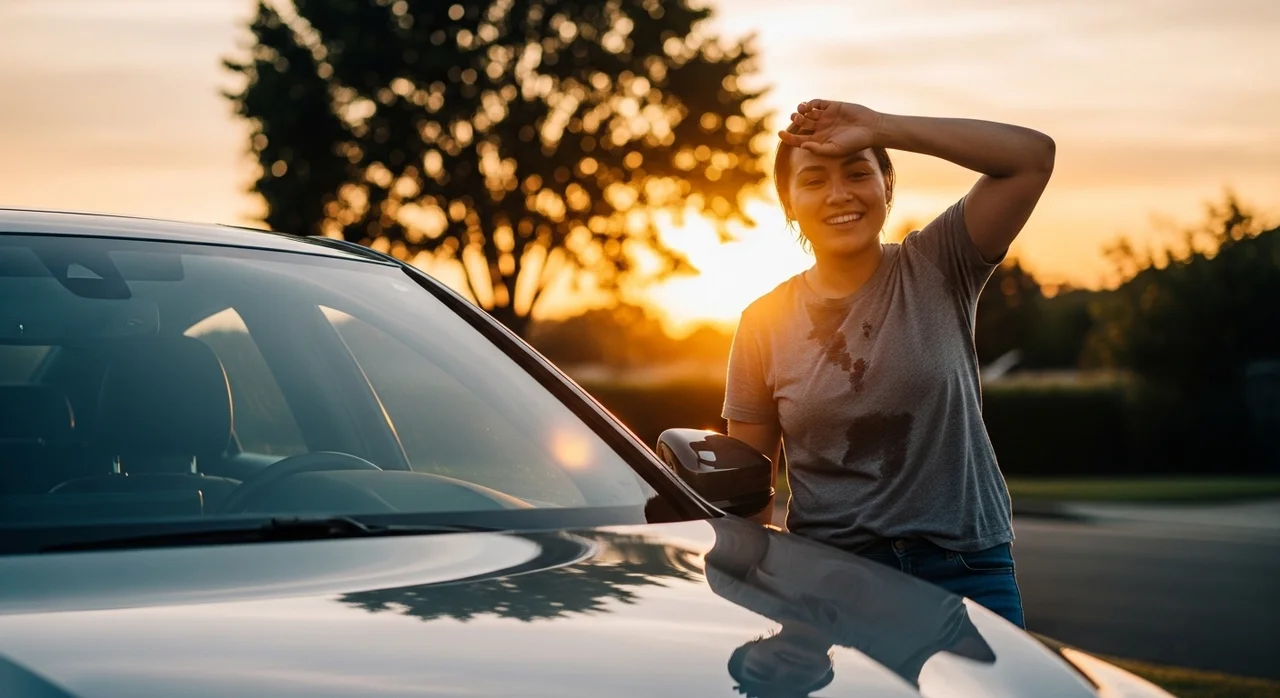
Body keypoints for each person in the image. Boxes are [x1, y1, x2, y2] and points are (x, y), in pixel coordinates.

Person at [721, 99, 1055, 628]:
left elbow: (1032, 158)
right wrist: (759, 603)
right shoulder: (762, 323)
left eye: (858, 172)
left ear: (887, 186)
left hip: (966, 573)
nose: (839, 194)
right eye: (813, 181)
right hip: (833, 583)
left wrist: (880, 127)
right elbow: (746, 494)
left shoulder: (939, 263)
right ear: (788, 204)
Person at [703, 517, 996, 697]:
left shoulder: (732, 582)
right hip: (965, 557)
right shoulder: (899, 656)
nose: (785, 668)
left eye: (764, 670)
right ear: (826, 675)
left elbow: (738, 519)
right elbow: (992, 668)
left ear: (749, 647)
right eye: (795, 681)